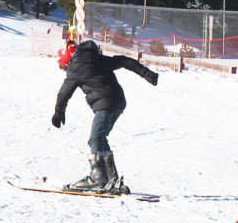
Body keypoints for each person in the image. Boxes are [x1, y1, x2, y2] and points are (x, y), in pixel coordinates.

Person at [52, 39, 158, 193]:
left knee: (95, 139)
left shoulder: (75, 68)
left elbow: (63, 93)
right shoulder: (97, 59)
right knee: (99, 139)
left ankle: (97, 177)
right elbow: (123, 61)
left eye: (64, 66)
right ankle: (111, 178)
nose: (66, 69)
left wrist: (58, 113)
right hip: (118, 102)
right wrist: (147, 73)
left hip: (105, 105)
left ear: (68, 59)